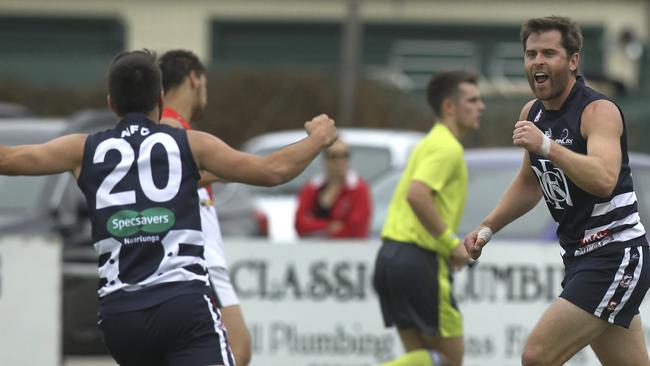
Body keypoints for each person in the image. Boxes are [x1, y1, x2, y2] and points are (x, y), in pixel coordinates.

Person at [0, 49, 337, 366]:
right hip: (181, 305)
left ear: (111, 103)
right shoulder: (190, 144)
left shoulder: (82, 149)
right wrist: (317, 138)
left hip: (121, 316)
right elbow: (272, 170)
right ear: (160, 99)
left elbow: (8, 159)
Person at [463, 16, 650, 366]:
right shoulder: (531, 113)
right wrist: (486, 229)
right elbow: (529, 183)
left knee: (537, 356)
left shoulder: (599, 111)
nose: (538, 61)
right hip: (581, 257)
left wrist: (548, 147)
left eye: (549, 52)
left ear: (573, 60)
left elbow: (604, 178)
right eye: (531, 53)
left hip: (616, 253)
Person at [373, 70, 484, 366]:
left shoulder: (429, 142)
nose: (481, 106)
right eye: (472, 100)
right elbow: (417, 194)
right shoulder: (447, 147)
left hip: (390, 257)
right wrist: (452, 245)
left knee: (419, 359)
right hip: (418, 261)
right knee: (450, 359)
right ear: (449, 106)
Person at [159, 49, 252, 365]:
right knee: (237, 350)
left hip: (182, 263)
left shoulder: (171, 131)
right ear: (193, 78)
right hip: (200, 261)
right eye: (206, 84)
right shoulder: (174, 132)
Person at [294, 139, 371, 238]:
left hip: (348, 251)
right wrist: (328, 226)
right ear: (325, 160)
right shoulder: (312, 187)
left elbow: (356, 228)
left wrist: (315, 228)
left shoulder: (358, 188)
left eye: (345, 155)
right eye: (334, 156)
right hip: (312, 250)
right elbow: (300, 224)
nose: (340, 161)